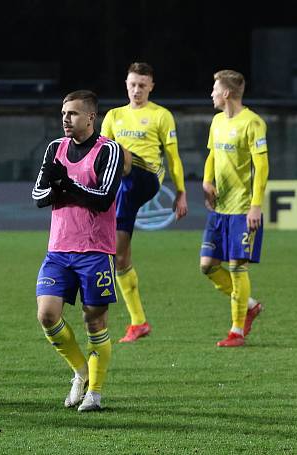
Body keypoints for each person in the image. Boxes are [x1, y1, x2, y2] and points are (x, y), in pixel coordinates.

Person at [32, 90, 124, 412]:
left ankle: (95, 394)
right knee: (47, 315)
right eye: (63, 113)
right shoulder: (55, 148)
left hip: (95, 250)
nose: (65, 119)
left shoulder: (109, 150)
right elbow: (39, 194)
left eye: (72, 113)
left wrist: (66, 185)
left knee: (94, 321)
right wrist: (58, 187)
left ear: (90, 117)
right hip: (58, 249)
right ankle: (81, 372)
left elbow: (102, 198)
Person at [101, 62, 188, 343]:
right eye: (133, 84)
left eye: (142, 85)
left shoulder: (161, 116)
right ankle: (138, 322)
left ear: (151, 86)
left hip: (148, 176)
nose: (137, 90)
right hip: (123, 186)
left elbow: (173, 157)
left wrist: (181, 192)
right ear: (126, 84)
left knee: (118, 151)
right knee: (120, 258)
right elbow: (97, 156)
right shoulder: (114, 115)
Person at [199, 70, 268, 347]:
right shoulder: (216, 121)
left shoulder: (253, 123)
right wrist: (206, 181)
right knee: (207, 266)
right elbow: (212, 155)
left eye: (215, 89)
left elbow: (261, 166)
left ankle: (236, 331)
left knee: (238, 267)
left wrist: (255, 206)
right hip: (220, 209)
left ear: (226, 93)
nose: (212, 94)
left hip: (242, 209)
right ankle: (249, 305)